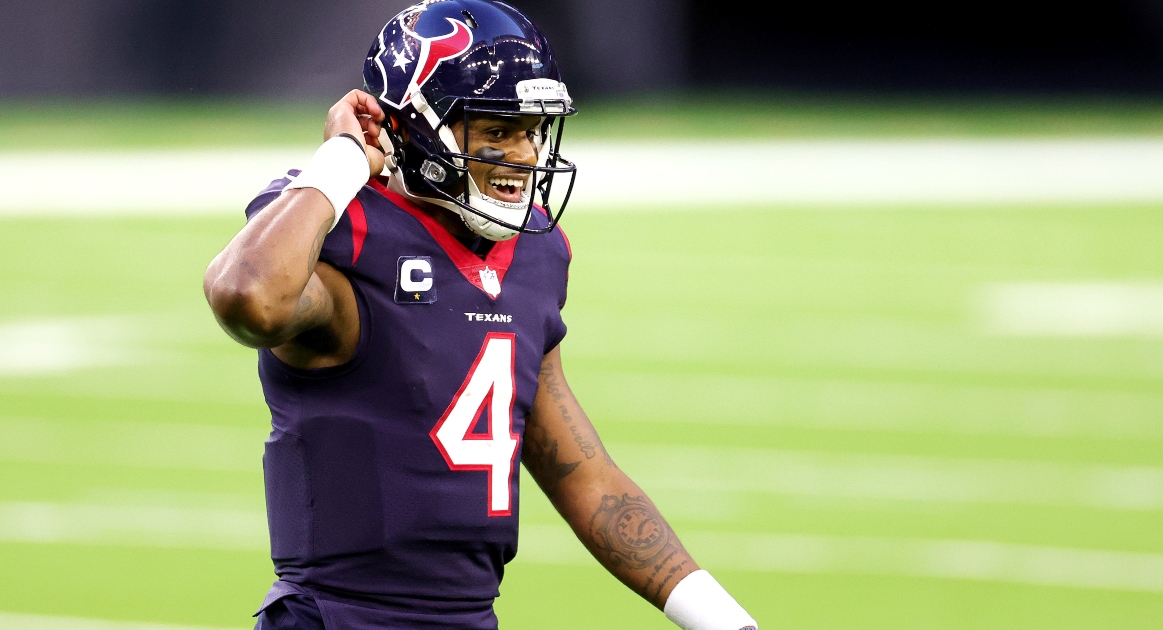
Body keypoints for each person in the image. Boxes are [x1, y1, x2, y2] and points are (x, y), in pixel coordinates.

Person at [203, 1, 757, 629]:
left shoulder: (537, 252)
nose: (523, 155)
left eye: (532, 130)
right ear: (412, 127)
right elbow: (249, 297)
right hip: (339, 616)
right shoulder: (345, 228)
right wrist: (342, 162)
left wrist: (722, 619)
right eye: (496, 131)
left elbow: (583, 474)